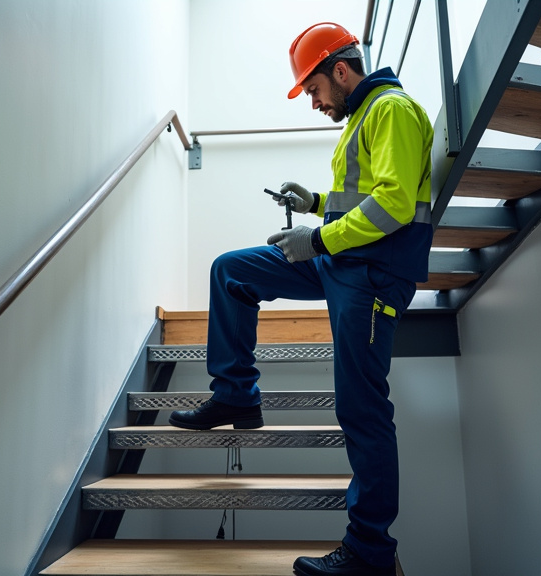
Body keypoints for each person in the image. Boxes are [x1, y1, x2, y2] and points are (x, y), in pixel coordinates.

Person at [168, 21, 434, 576]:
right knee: (231, 272)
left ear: (340, 70)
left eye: (313, 89)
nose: (313, 102)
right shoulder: (363, 118)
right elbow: (358, 202)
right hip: (342, 263)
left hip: (373, 278)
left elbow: (393, 208)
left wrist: (315, 238)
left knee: (361, 410)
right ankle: (237, 395)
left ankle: (369, 553)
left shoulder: (393, 110)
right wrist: (314, 202)